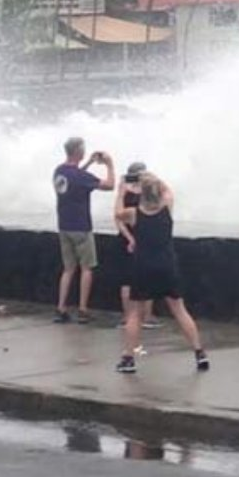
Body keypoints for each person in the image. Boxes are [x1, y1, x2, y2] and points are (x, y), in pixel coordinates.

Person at [114, 173, 209, 374]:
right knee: (179, 310)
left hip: (143, 267)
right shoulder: (167, 208)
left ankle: (128, 359)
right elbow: (167, 190)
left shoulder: (133, 214)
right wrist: (150, 178)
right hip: (167, 265)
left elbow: (117, 214)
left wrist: (121, 192)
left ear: (141, 194)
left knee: (135, 314)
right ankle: (199, 353)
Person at [52, 137, 115, 324]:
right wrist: (109, 164)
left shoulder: (59, 171)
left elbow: (76, 178)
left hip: (64, 225)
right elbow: (110, 185)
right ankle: (83, 309)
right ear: (79, 152)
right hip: (81, 226)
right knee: (86, 268)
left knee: (68, 269)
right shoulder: (81, 177)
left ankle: (61, 307)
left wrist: (88, 163)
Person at [114, 162, 159, 333]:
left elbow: (118, 219)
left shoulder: (123, 193)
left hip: (125, 241)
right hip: (144, 239)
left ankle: (127, 317)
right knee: (147, 277)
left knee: (126, 280)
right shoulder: (148, 192)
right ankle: (147, 317)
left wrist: (129, 238)